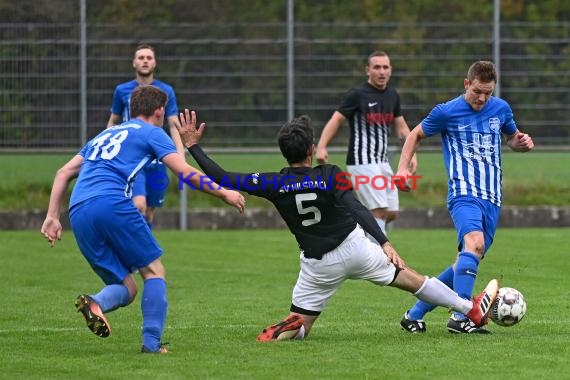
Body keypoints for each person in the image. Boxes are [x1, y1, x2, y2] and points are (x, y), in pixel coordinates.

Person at [175, 110, 498, 341]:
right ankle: (468, 308)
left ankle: (288, 329)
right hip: (356, 248)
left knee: (302, 326)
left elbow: (224, 177)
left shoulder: (274, 183)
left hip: (318, 265)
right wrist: (383, 242)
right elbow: (355, 207)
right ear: (312, 149)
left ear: (283, 153)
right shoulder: (330, 174)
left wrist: (193, 146)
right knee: (414, 280)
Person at [40, 85, 245, 353]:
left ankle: (95, 302)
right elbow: (184, 172)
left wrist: (52, 216)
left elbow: (63, 171)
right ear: (159, 111)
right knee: (154, 271)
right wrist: (224, 193)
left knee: (126, 286)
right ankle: (151, 344)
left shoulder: (103, 135)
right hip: (111, 203)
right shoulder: (151, 132)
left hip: (78, 210)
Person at [397, 60, 534, 334]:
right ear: (466, 84)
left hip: (492, 198)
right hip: (463, 193)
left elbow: (511, 137)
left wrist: (520, 143)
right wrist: (402, 169)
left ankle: (413, 315)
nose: (482, 98)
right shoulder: (446, 112)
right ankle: (462, 317)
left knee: (467, 258)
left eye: (488, 93)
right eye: (477, 91)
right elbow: (415, 135)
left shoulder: (501, 109)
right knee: (475, 243)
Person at [316, 51, 417, 237]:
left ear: (391, 70)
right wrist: (321, 146)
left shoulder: (393, 95)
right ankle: (381, 259)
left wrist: (411, 154)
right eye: (376, 67)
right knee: (379, 211)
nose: (381, 71)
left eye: (385, 67)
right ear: (367, 70)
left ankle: (350, 229)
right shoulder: (357, 95)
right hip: (362, 162)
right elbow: (336, 120)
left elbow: (401, 127)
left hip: (382, 162)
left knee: (391, 212)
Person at [107, 43, 184, 227]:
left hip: (157, 159)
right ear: (134, 63)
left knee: (150, 210)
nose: (145, 61)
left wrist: (180, 155)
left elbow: (173, 124)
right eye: (141, 57)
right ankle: (135, 248)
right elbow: (113, 121)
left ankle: (142, 246)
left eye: (149, 58)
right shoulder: (122, 90)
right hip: (133, 158)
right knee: (138, 204)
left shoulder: (166, 91)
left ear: (154, 63)